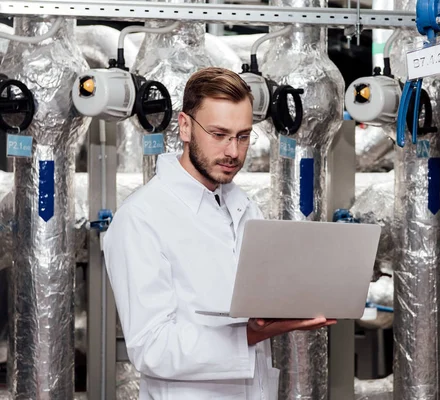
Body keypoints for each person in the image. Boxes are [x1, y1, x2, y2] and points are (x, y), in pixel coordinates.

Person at [102, 67, 336, 400]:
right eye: (218, 134)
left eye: (242, 136)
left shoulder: (243, 208)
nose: (232, 151)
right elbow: (151, 347)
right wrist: (249, 336)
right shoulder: (141, 218)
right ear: (184, 126)